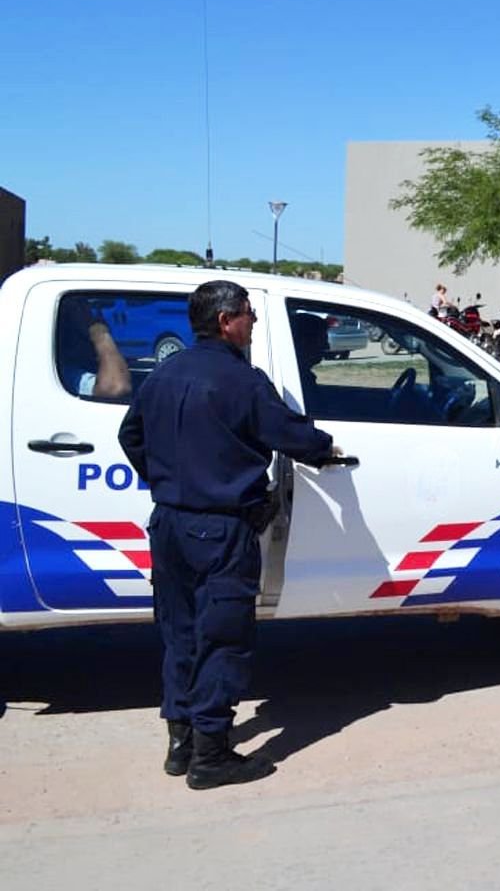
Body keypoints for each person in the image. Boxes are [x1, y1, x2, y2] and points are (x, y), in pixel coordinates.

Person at [118, 280, 337, 790]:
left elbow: (130, 436)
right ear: (225, 321)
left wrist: (171, 479)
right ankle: (211, 756)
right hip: (221, 529)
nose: (253, 324)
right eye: (248, 315)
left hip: (169, 523)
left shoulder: (165, 373)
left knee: (180, 634)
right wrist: (326, 447)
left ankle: (181, 744)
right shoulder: (242, 380)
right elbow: (289, 433)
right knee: (222, 639)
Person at [58, 297, 131, 399]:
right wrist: (100, 334)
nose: (89, 315)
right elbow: (115, 387)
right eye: (81, 309)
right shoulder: (63, 372)